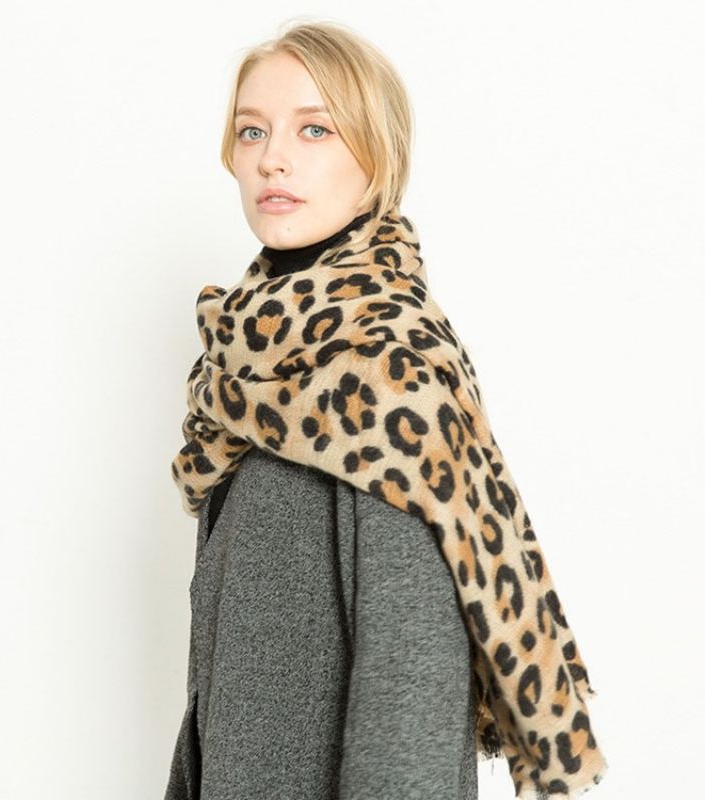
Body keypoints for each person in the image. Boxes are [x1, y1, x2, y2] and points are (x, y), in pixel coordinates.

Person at [165, 17, 607, 800]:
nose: (273, 157)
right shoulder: (247, 381)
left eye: (315, 129)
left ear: (379, 155)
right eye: (252, 130)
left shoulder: (387, 378)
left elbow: (412, 698)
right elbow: (221, 704)